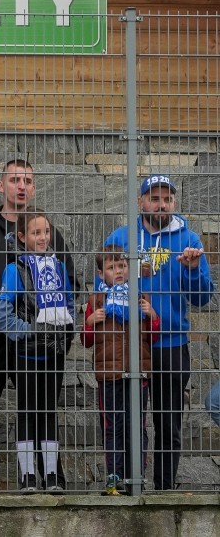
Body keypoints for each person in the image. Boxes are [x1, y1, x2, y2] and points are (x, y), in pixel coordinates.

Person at [0, 159, 80, 491]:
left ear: (33, 188)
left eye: (28, 181)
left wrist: (59, 337)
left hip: (37, 343)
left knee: (41, 411)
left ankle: (50, 482)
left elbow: (70, 288)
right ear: (1, 185)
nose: (22, 186)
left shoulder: (49, 234)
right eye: (15, 179)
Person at [103, 174, 214, 491]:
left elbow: (202, 297)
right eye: (154, 198)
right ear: (140, 202)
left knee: (168, 424)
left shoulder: (190, 240)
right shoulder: (121, 238)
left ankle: (164, 489)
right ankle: (128, 486)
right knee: (128, 420)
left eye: (167, 199)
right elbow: (102, 286)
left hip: (171, 344)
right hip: (130, 344)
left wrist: (192, 270)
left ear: (174, 203)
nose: (161, 205)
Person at [0, 207, 74, 492]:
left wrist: (64, 335)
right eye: (35, 232)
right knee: (27, 412)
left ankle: (52, 476)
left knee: (49, 412)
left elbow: (70, 304)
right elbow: (2, 314)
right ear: (21, 236)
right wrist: (30, 331)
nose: (43, 238)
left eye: (46, 232)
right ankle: (27, 476)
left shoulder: (58, 267)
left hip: (53, 354)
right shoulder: (15, 269)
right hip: (26, 355)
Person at [80, 246, 159, 495]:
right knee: (113, 425)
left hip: (138, 373)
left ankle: (136, 477)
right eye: (112, 267)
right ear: (101, 273)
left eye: (122, 266)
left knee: (137, 425)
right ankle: (114, 478)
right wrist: (90, 322)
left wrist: (152, 316)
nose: (119, 271)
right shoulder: (96, 301)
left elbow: (152, 337)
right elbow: (86, 341)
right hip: (109, 375)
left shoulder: (140, 297)